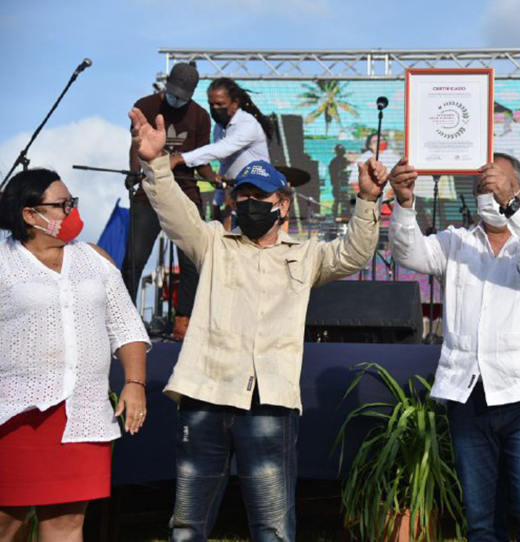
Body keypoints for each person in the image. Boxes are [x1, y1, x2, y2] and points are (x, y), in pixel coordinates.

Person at [129, 107, 386, 542]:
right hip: (206, 394)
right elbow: (174, 212)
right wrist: (156, 163)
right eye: (242, 196)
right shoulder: (213, 241)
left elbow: (354, 254)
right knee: (188, 524)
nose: (249, 204)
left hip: (269, 400)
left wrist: (366, 201)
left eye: (260, 196)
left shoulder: (306, 254)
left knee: (272, 526)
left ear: (282, 204)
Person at [389, 152, 520, 541]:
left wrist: (513, 207)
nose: (491, 194)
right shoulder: (457, 242)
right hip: (469, 394)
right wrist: (404, 204)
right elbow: (408, 253)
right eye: (483, 188)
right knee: (482, 519)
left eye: (499, 185)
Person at [0, 169, 150, 542]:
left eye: (72, 203)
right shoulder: (3, 262)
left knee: (67, 524)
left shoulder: (95, 260)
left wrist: (135, 383)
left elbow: (127, 326)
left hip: (83, 414)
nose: (71, 212)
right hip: (16, 416)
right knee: (7, 523)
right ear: (29, 214)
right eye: (61, 205)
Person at [124, 62, 214, 340]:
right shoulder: (146, 105)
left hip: (186, 193)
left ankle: (183, 321)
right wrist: (134, 173)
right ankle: (124, 318)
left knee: (191, 260)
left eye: (182, 96)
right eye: (173, 93)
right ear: (167, 85)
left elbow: (201, 161)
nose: (176, 100)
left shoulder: (200, 116)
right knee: (135, 258)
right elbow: (136, 146)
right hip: (148, 194)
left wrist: (215, 177)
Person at [169, 77, 271, 229]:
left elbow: (222, 149)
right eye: (211, 104)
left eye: (220, 104)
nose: (215, 108)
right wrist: (217, 201)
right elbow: (225, 166)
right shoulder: (219, 127)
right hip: (237, 197)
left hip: (259, 196)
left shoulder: (247, 124)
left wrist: (180, 158)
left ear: (234, 104)